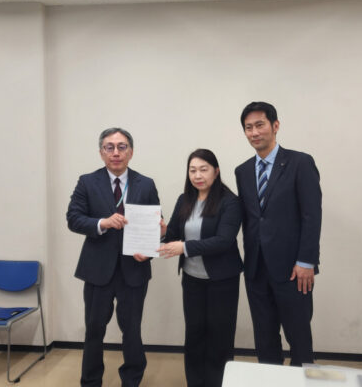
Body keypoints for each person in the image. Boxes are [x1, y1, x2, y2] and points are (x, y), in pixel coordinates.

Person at [67, 127, 161, 387]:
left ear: (131, 151)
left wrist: (151, 247)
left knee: (132, 331)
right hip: (97, 270)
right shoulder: (87, 182)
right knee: (94, 330)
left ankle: (131, 380)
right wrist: (103, 223)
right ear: (101, 152)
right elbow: (73, 218)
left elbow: (155, 223)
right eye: (110, 147)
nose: (116, 152)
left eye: (122, 147)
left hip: (134, 270)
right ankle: (90, 381)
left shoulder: (146, 183)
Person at [235, 102, 322, 366]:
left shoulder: (300, 163)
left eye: (259, 125)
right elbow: (248, 217)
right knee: (265, 339)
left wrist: (306, 261)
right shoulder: (242, 171)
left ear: (275, 126)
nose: (254, 132)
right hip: (256, 269)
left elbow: (311, 215)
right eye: (248, 127)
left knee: (299, 338)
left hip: (294, 270)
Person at [158, 149, 243, 387]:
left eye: (203, 170)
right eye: (193, 170)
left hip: (222, 280)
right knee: (194, 334)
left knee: (219, 336)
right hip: (192, 279)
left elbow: (223, 241)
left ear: (216, 171)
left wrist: (184, 247)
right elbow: (173, 234)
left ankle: (217, 382)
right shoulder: (184, 199)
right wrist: (163, 232)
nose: (198, 175)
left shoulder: (230, 202)